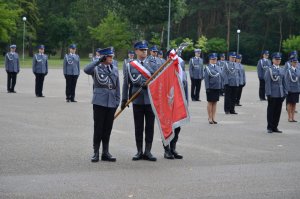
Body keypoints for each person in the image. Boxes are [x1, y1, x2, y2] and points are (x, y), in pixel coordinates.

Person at [122, 40, 157, 161]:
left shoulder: (152, 64)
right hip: (136, 99)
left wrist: (150, 84)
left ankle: (148, 151)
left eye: (146, 50)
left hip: (150, 100)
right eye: (142, 50)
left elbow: (157, 79)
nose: (144, 52)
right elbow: (126, 83)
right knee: (138, 127)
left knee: (150, 127)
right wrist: (124, 99)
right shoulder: (130, 65)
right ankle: (139, 151)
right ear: (136, 51)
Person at [84, 47, 120, 162]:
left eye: (111, 56)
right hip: (99, 102)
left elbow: (117, 86)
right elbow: (86, 69)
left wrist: (117, 102)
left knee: (107, 128)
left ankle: (105, 152)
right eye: (109, 56)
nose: (111, 58)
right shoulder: (96, 68)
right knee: (98, 128)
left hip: (111, 103)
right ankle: (96, 152)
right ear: (104, 57)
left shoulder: (114, 69)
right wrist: (98, 60)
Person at [163, 49, 187, 160]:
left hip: (178, 102)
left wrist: (185, 102)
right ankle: (166, 150)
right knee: (167, 126)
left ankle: (173, 148)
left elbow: (184, 85)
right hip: (167, 102)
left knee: (177, 126)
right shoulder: (163, 69)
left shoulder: (180, 69)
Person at [265, 52, 287, 133]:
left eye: (279, 59)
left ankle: (275, 127)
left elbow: (284, 82)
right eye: (276, 59)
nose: (278, 61)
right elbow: (267, 83)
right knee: (271, 111)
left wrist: (285, 93)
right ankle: (270, 127)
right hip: (272, 94)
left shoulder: (282, 69)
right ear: (273, 60)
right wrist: (268, 94)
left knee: (278, 111)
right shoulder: (269, 70)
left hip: (280, 94)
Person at [204, 53, 222, 124]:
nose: (214, 60)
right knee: (210, 102)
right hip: (210, 87)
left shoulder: (218, 67)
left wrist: (221, 86)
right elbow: (206, 79)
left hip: (217, 87)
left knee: (215, 102)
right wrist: (207, 87)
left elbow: (220, 77)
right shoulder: (207, 68)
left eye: (215, 59)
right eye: (213, 59)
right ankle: (210, 117)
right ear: (210, 60)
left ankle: (214, 118)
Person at [284, 56, 300, 122]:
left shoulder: (298, 70)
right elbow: (286, 80)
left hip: (296, 89)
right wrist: (287, 89)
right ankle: (289, 117)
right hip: (290, 89)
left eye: (296, 62)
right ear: (291, 62)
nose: (295, 63)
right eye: (294, 62)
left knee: (294, 103)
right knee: (289, 103)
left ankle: (293, 117)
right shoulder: (288, 71)